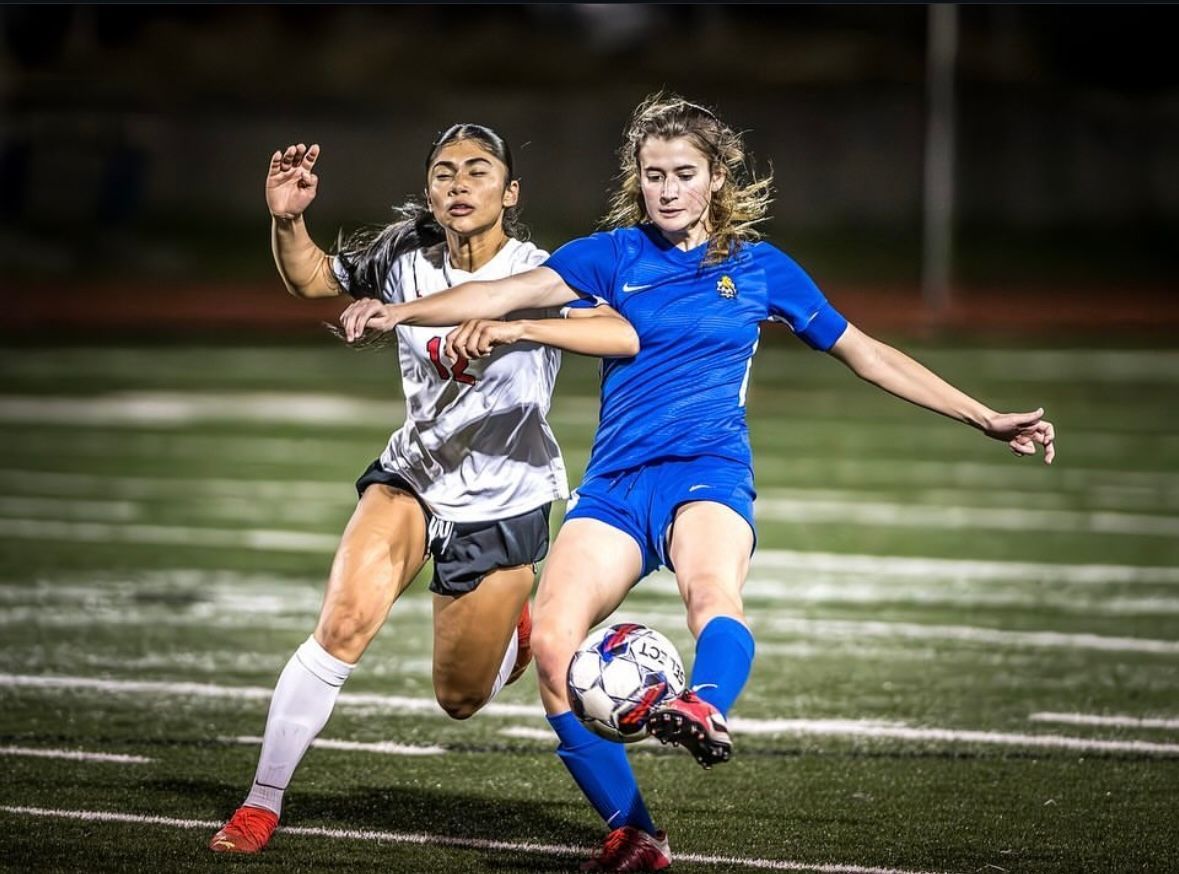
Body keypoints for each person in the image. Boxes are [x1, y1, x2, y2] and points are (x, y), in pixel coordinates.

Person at [338, 93, 1056, 872]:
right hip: (614, 484)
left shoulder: (758, 269)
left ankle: (703, 708)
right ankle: (635, 832)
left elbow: (866, 352)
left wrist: (982, 416)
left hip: (707, 474)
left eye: (684, 174)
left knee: (710, 596)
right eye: (653, 176)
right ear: (637, 181)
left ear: (715, 178)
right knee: (549, 645)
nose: (668, 189)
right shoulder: (609, 256)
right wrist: (399, 311)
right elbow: (494, 295)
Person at [209, 125, 639, 855]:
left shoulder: (543, 270)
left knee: (461, 698)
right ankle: (261, 802)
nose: (458, 185)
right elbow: (312, 277)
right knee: (341, 626)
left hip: (505, 498)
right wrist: (287, 219)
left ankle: (516, 637)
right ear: (430, 190)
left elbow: (620, 329)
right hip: (412, 475)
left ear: (510, 193)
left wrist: (518, 329)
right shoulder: (405, 256)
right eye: (444, 172)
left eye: (478, 172)